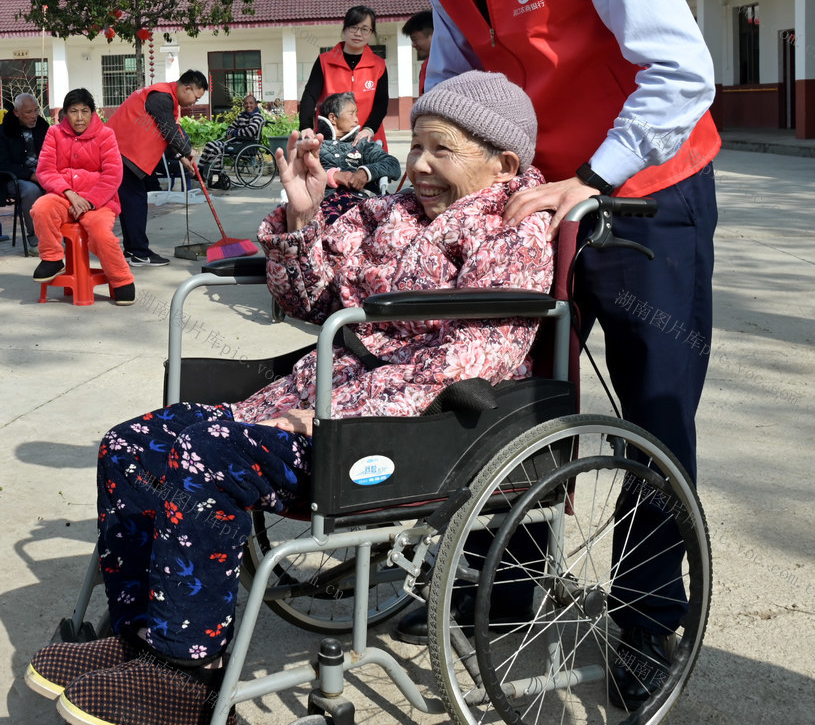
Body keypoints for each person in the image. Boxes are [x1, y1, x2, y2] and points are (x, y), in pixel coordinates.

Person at [26, 71, 553, 725]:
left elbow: (474, 356)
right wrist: (305, 217)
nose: (417, 165)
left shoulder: (512, 228)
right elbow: (305, 301)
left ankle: (184, 676)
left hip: (394, 432)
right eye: (414, 146)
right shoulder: (392, 214)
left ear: (503, 162)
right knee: (132, 447)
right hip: (323, 393)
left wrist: (340, 414)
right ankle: (139, 637)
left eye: (440, 151)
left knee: (195, 461)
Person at [335, 0, 720, 710]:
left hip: (645, 192)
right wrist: (413, 180)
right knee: (507, 389)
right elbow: (459, 100)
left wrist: (591, 178)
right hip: (537, 199)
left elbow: (680, 69)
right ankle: (502, 585)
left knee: (656, 411)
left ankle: (646, 617)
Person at [30, 88, 135, 305]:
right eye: (73, 111)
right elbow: (46, 170)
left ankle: (122, 279)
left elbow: (113, 174)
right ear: (65, 114)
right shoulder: (54, 133)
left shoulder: (106, 134)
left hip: (100, 201)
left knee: (100, 234)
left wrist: (89, 201)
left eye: (84, 111)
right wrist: (70, 194)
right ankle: (52, 258)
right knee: (41, 207)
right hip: (64, 197)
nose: (79, 117)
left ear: (93, 112)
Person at [106, 71, 208, 266]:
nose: (194, 103)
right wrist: (187, 150)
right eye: (195, 97)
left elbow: (165, 132)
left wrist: (182, 157)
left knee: (131, 203)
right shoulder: (161, 96)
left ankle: (133, 250)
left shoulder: (166, 97)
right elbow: (168, 129)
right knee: (135, 202)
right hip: (121, 152)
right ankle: (138, 252)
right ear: (187, 88)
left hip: (126, 154)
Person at [298, 5, 389, 148]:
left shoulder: (378, 65)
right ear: (344, 29)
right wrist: (305, 126)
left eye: (365, 29)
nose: (358, 33)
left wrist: (369, 128)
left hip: (367, 139)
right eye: (353, 27)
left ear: (371, 33)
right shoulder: (325, 61)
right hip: (330, 142)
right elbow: (310, 95)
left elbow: (381, 103)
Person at [315, 91, 401, 222]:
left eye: (356, 113)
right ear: (332, 118)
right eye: (351, 113)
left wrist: (365, 173)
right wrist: (331, 176)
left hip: (360, 202)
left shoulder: (361, 144)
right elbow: (300, 173)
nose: (357, 119)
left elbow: (393, 165)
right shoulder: (316, 144)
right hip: (323, 202)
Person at [0, 93, 49, 247]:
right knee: (31, 190)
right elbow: (3, 164)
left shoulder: (42, 126)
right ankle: (36, 239)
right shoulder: (4, 131)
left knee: (62, 186)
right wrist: (30, 175)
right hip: (13, 178)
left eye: (36, 110)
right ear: (17, 112)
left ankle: (58, 235)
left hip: (43, 173)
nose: (34, 116)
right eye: (29, 112)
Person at [197, 94, 265, 185]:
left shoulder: (257, 116)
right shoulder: (241, 115)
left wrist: (234, 133)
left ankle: (213, 174)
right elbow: (230, 127)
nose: (248, 105)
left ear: (256, 104)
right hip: (234, 143)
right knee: (210, 145)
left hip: (244, 145)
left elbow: (250, 131)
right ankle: (201, 172)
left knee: (216, 150)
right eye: (246, 103)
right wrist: (231, 132)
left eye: (251, 103)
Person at [401, 9, 434, 94]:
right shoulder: (426, 65)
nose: (413, 45)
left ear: (433, 35)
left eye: (414, 39)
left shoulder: (448, 67)